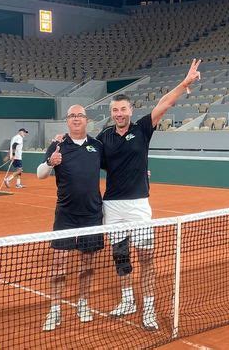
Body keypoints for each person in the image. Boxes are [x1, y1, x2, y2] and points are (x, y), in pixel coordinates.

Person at [96, 59, 201, 331]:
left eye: (123, 109)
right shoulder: (104, 136)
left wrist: (184, 83)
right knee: (120, 257)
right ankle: (128, 300)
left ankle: (149, 309)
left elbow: (165, 104)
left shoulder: (142, 128)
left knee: (146, 258)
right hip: (113, 207)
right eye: (115, 110)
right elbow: (88, 159)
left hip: (139, 206)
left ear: (131, 110)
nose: (119, 114)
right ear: (111, 113)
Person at [37, 104, 104, 332]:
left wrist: (140, 171)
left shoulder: (97, 146)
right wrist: (49, 163)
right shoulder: (57, 145)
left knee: (87, 263)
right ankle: (55, 308)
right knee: (58, 265)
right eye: (72, 116)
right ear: (67, 121)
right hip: (65, 214)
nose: (76, 119)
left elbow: (117, 165)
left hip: (92, 214)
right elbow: (39, 174)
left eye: (80, 116)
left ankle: (82, 303)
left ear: (87, 120)